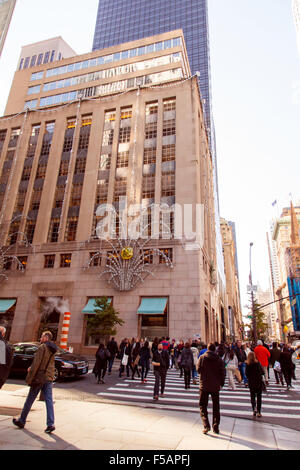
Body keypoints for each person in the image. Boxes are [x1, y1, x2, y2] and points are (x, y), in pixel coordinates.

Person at [12, 331, 57, 434]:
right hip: (49, 377)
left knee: (30, 399)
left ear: (46, 337)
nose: (40, 338)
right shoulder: (53, 349)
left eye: (41, 337)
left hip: (39, 377)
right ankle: (51, 424)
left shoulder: (42, 348)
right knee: (49, 401)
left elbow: (36, 363)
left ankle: (22, 420)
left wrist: (30, 377)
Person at [197, 343, 226, 435]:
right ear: (215, 350)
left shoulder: (202, 358)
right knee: (216, 407)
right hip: (215, 386)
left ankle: (206, 425)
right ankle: (216, 426)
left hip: (204, 385)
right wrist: (221, 383)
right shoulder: (219, 359)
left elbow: (198, 369)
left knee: (203, 406)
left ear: (207, 349)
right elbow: (223, 372)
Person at [245, 351, 265, 418]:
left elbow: (246, 374)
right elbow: (262, 372)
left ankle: (254, 409)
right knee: (259, 397)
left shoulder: (248, 364)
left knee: (252, 396)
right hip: (258, 381)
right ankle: (259, 411)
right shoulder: (257, 363)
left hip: (251, 382)